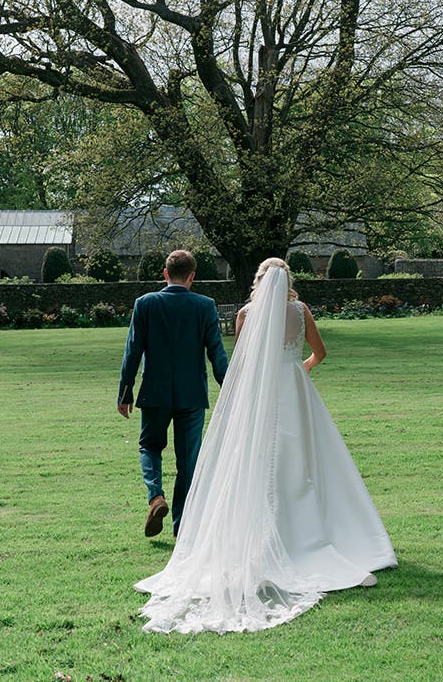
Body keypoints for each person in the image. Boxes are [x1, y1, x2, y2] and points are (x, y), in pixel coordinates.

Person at [134, 257, 397, 633]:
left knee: (257, 462)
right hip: (294, 393)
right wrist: (300, 368)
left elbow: (244, 365)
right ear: (288, 281)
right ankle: (308, 533)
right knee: (304, 462)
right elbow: (320, 353)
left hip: (260, 397)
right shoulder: (300, 311)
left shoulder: (246, 315)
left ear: (258, 281)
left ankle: (258, 537)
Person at [117, 249, 228, 538]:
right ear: (192, 276)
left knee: (149, 446)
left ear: (165, 274)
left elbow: (132, 351)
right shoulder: (205, 306)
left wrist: (125, 392)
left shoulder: (145, 303)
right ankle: (182, 526)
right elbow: (217, 353)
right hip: (192, 395)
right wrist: (230, 388)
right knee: (188, 461)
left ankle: (156, 496)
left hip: (154, 392)